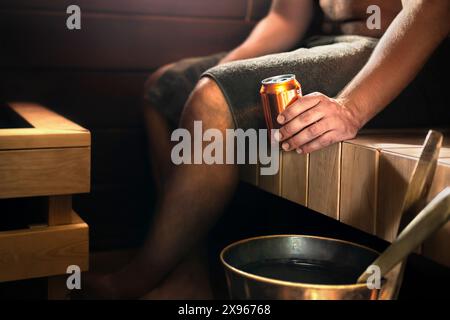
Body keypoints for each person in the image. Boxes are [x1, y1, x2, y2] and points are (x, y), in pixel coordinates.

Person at [81, 0, 450, 299]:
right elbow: (284, 17)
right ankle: (187, 276)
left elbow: (432, 9)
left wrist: (350, 108)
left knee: (213, 100)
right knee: (166, 88)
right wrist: (224, 72)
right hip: (330, 45)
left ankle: (139, 278)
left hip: (402, 59)